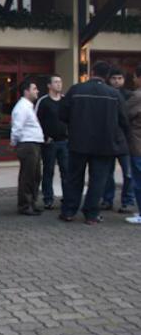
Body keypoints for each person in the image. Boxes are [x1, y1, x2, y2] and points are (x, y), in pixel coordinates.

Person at [59, 61, 129, 225]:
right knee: (98, 180)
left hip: (78, 142)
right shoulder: (114, 94)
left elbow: (62, 114)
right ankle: (91, 214)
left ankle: (69, 211)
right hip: (104, 144)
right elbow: (123, 120)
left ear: (92, 72)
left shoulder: (76, 90)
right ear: (107, 76)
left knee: (74, 178)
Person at [101, 68, 135, 213]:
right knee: (107, 173)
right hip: (108, 139)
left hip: (125, 139)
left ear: (124, 79)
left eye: (119, 78)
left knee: (128, 173)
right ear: (109, 79)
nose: (116, 81)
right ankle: (107, 200)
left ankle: (127, 200)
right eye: (114, 78)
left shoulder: (130, 95)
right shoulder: (105, 94)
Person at [10, 80, 44, 216]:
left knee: (35, 175)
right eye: (34, 89)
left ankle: (31, 202)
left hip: (33, 143)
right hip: (27, 144)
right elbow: (17, 127)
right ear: (26, 91)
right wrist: (14, 143)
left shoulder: (28, 106)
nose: (37, 91)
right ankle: (25, 205)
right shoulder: (22, 107)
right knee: (28, 176)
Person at [35, 74, 68, 210]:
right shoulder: (43, 101)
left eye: (60, 82)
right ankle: (48, 199)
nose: (59, 84)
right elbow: (36, 121)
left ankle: (67, 197)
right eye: (55, 82)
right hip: (50, 143)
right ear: (49, 85)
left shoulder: (65, 100)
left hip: (64, 142)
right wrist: (44, 137)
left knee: (66, 171)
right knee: (48, 171)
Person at [125, 64, 141, 223]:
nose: (134, 80)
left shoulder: (137, 96)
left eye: (135, 77)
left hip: (138, 144)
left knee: (138, 181)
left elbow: (124, 114)